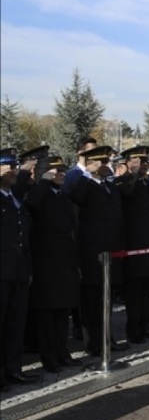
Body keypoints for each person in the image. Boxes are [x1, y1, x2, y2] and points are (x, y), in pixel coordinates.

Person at [63, 139, 129, 356]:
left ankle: (107, 338)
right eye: (99, 162)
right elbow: (76, 199)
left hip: (110, 250)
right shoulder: (83, 183)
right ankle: (93, 343)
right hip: (91, 251)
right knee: (91, 300)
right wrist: (87, 175)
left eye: (105, 162)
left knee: (106, 298)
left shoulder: (109, 185)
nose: (104, 166)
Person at [23, 154, 82, 372]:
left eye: (62, 171)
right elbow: (31, 204)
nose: (61, 175)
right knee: (47, 315)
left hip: (65, 261)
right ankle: (50, 358)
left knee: (61, 312)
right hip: (46, 264)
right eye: (55, 172)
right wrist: (44, 181)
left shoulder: (62, 196)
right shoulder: (39, 193)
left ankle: (62, 352)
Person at [114, 145, 149, 342]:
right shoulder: (122, 182)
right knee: (134, 291)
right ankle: (134, 328)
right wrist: (134, 173)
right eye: (140, 162)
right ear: (129, 163)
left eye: (145, 162)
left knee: (147, 289)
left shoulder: (146, 184)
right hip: (133, 247)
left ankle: (146, 324)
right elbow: (126, 194)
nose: (145, 165)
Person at [1, 148, 41, 389]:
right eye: (8, 166)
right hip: (2, 273)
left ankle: (14, 369)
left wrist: (27, 269)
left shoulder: (13, 198)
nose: (14, 170)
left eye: (15, 166)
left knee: (16, 324)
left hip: (18, 272)